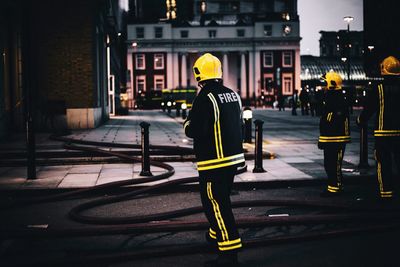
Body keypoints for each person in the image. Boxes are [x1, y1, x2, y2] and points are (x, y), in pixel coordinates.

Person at [183, 53, 245, 266]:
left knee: (216, 205)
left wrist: (186, 123)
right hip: (233, 160)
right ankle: (214, 235)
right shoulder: (233, 95)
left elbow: (195, 130)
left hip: (213, 162)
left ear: (198, 73)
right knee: (221, 200)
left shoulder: (204, 98)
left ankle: (229, 252)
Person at [357, 56, 400, 200]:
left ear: (383, 70)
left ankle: (386, 192)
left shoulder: (379, 89)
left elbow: (369, 108)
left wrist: (360, 120)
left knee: (384, 162)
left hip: (383, 132)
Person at [318, 71, 351, 197]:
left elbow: (329, 121)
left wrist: (324, 139)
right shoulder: (331, 98)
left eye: (326, 83)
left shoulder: (336, 100)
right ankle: (333, 187)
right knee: (329, 164)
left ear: (331, 84)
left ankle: (336, 188)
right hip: (331, 139)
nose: (324, 86)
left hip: (336, 139)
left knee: (334, 165)